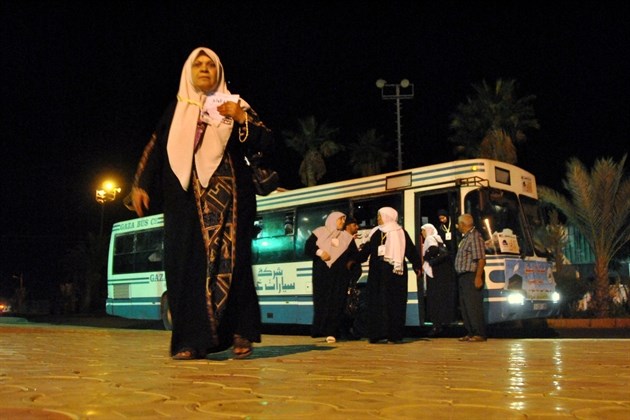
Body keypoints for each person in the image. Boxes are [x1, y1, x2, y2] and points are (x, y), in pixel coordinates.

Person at [130, 47, 273, 360]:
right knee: (185, 266)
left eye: (211, 64)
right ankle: (189, 341)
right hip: (185, 201)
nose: (205, 69)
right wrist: (140, 184)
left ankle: (240, 332)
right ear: (189, 71)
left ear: (219, 71)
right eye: (198, 64)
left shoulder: (236, 104)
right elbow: (155, 148)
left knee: (233, 263)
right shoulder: (176, 110)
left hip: (232, 199)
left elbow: (266, 140)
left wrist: (241, 118)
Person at [354, 207, 422, 344]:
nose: (378, 219)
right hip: (377, 273)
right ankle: (377, 334)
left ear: (387, 216)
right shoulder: (375, 232)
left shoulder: (400, 232)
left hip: (394, 273)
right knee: (376, 302)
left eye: (380, 216)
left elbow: (410, 250)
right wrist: (354, 259)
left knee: (394, 303)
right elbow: (366, 251)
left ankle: (394, 335)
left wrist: (417, 265)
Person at [305, 211, 357, 343]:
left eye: (344, 220)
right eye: (340, 219)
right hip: (322, 275)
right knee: (322, 301)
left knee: (337, 303)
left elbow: (354, 255)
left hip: (339, 276)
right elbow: (308, 247)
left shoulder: (347, 237)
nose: (343, 222)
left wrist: (350, 264)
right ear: (333, 219)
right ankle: (320, 329)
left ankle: (332, 332)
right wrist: (320, 252)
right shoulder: (319, 232)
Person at [453, 214, 487, 342]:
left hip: (471, 275)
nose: (457, 226)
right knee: (465, 305)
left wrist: (478, 277)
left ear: (463, 224)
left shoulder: (475, 237)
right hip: (463, 276)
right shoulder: (466, 237)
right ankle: (470, 332)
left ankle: (479, 333)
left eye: (459, 224)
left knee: (473, 305)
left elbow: (481, 259)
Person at [420, 223, 457, 337]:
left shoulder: (430, 238)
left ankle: (436, 326)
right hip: (443, 273)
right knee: (442, 298)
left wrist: (425, 257)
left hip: (434, 273)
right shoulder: (439, 238)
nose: (422, 233)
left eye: (423, 231)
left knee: (434, 299)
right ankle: (444, 322)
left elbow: (433, 250)